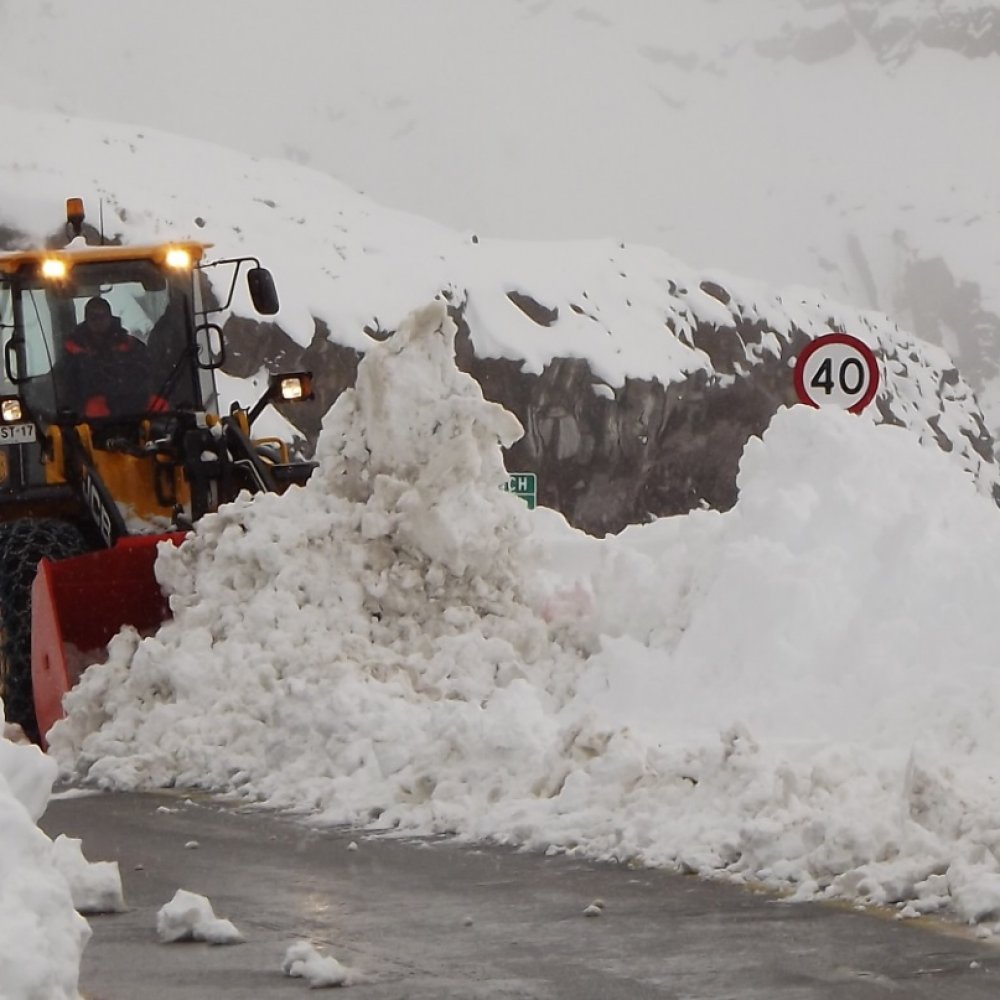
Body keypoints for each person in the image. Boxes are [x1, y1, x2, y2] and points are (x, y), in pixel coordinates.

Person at [58, 297, 168, 418]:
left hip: (133, 401)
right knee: (95, 410)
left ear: (110, 317)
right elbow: (67, 385)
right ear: (87, 319)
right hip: (93, 406)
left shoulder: (129, 344)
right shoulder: (74, 348)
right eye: (94, 317)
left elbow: (149, 369)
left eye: (103, 316)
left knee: (160, 406)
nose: (99, 321)